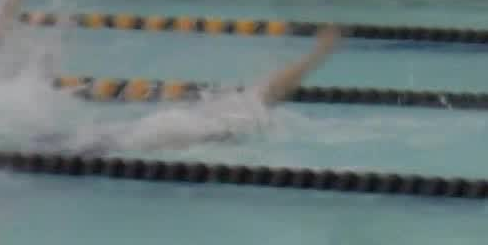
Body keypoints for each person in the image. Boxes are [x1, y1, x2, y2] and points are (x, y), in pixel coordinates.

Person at [34, 26, 341, 154]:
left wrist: (319, 53)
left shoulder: (247, 104)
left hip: (174, 122)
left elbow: (284, 81)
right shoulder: (254, 113)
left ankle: (45, 143)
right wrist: (320, 54)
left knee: (106, 139)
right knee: (111, 144)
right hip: (178, 128)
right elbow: (285, 81)